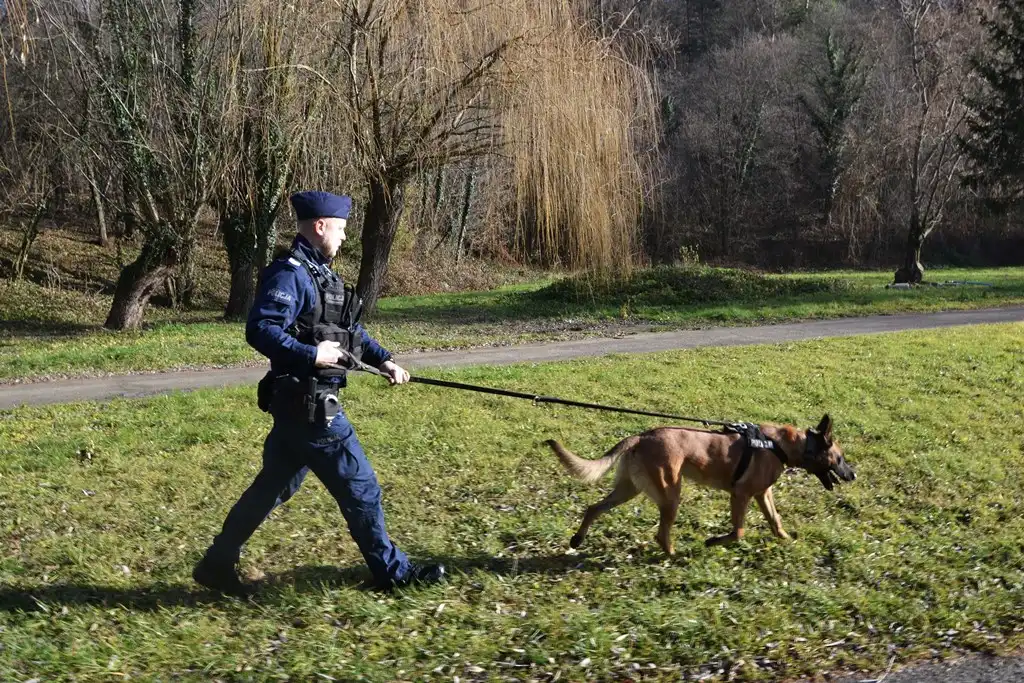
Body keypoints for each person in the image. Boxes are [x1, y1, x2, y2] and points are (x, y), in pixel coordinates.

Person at [193, 190, 445, 596]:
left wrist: (384, 361)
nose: (346, 238)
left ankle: (216, 564)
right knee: (360, 486)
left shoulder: (321, 275)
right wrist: (311, 355)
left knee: (274, 487)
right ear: (320, 226)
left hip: (298, 408)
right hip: (310, 407)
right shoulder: (290, 274)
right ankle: (392, 573)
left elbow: (349, 332)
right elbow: (260, 329)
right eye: (342, 229)